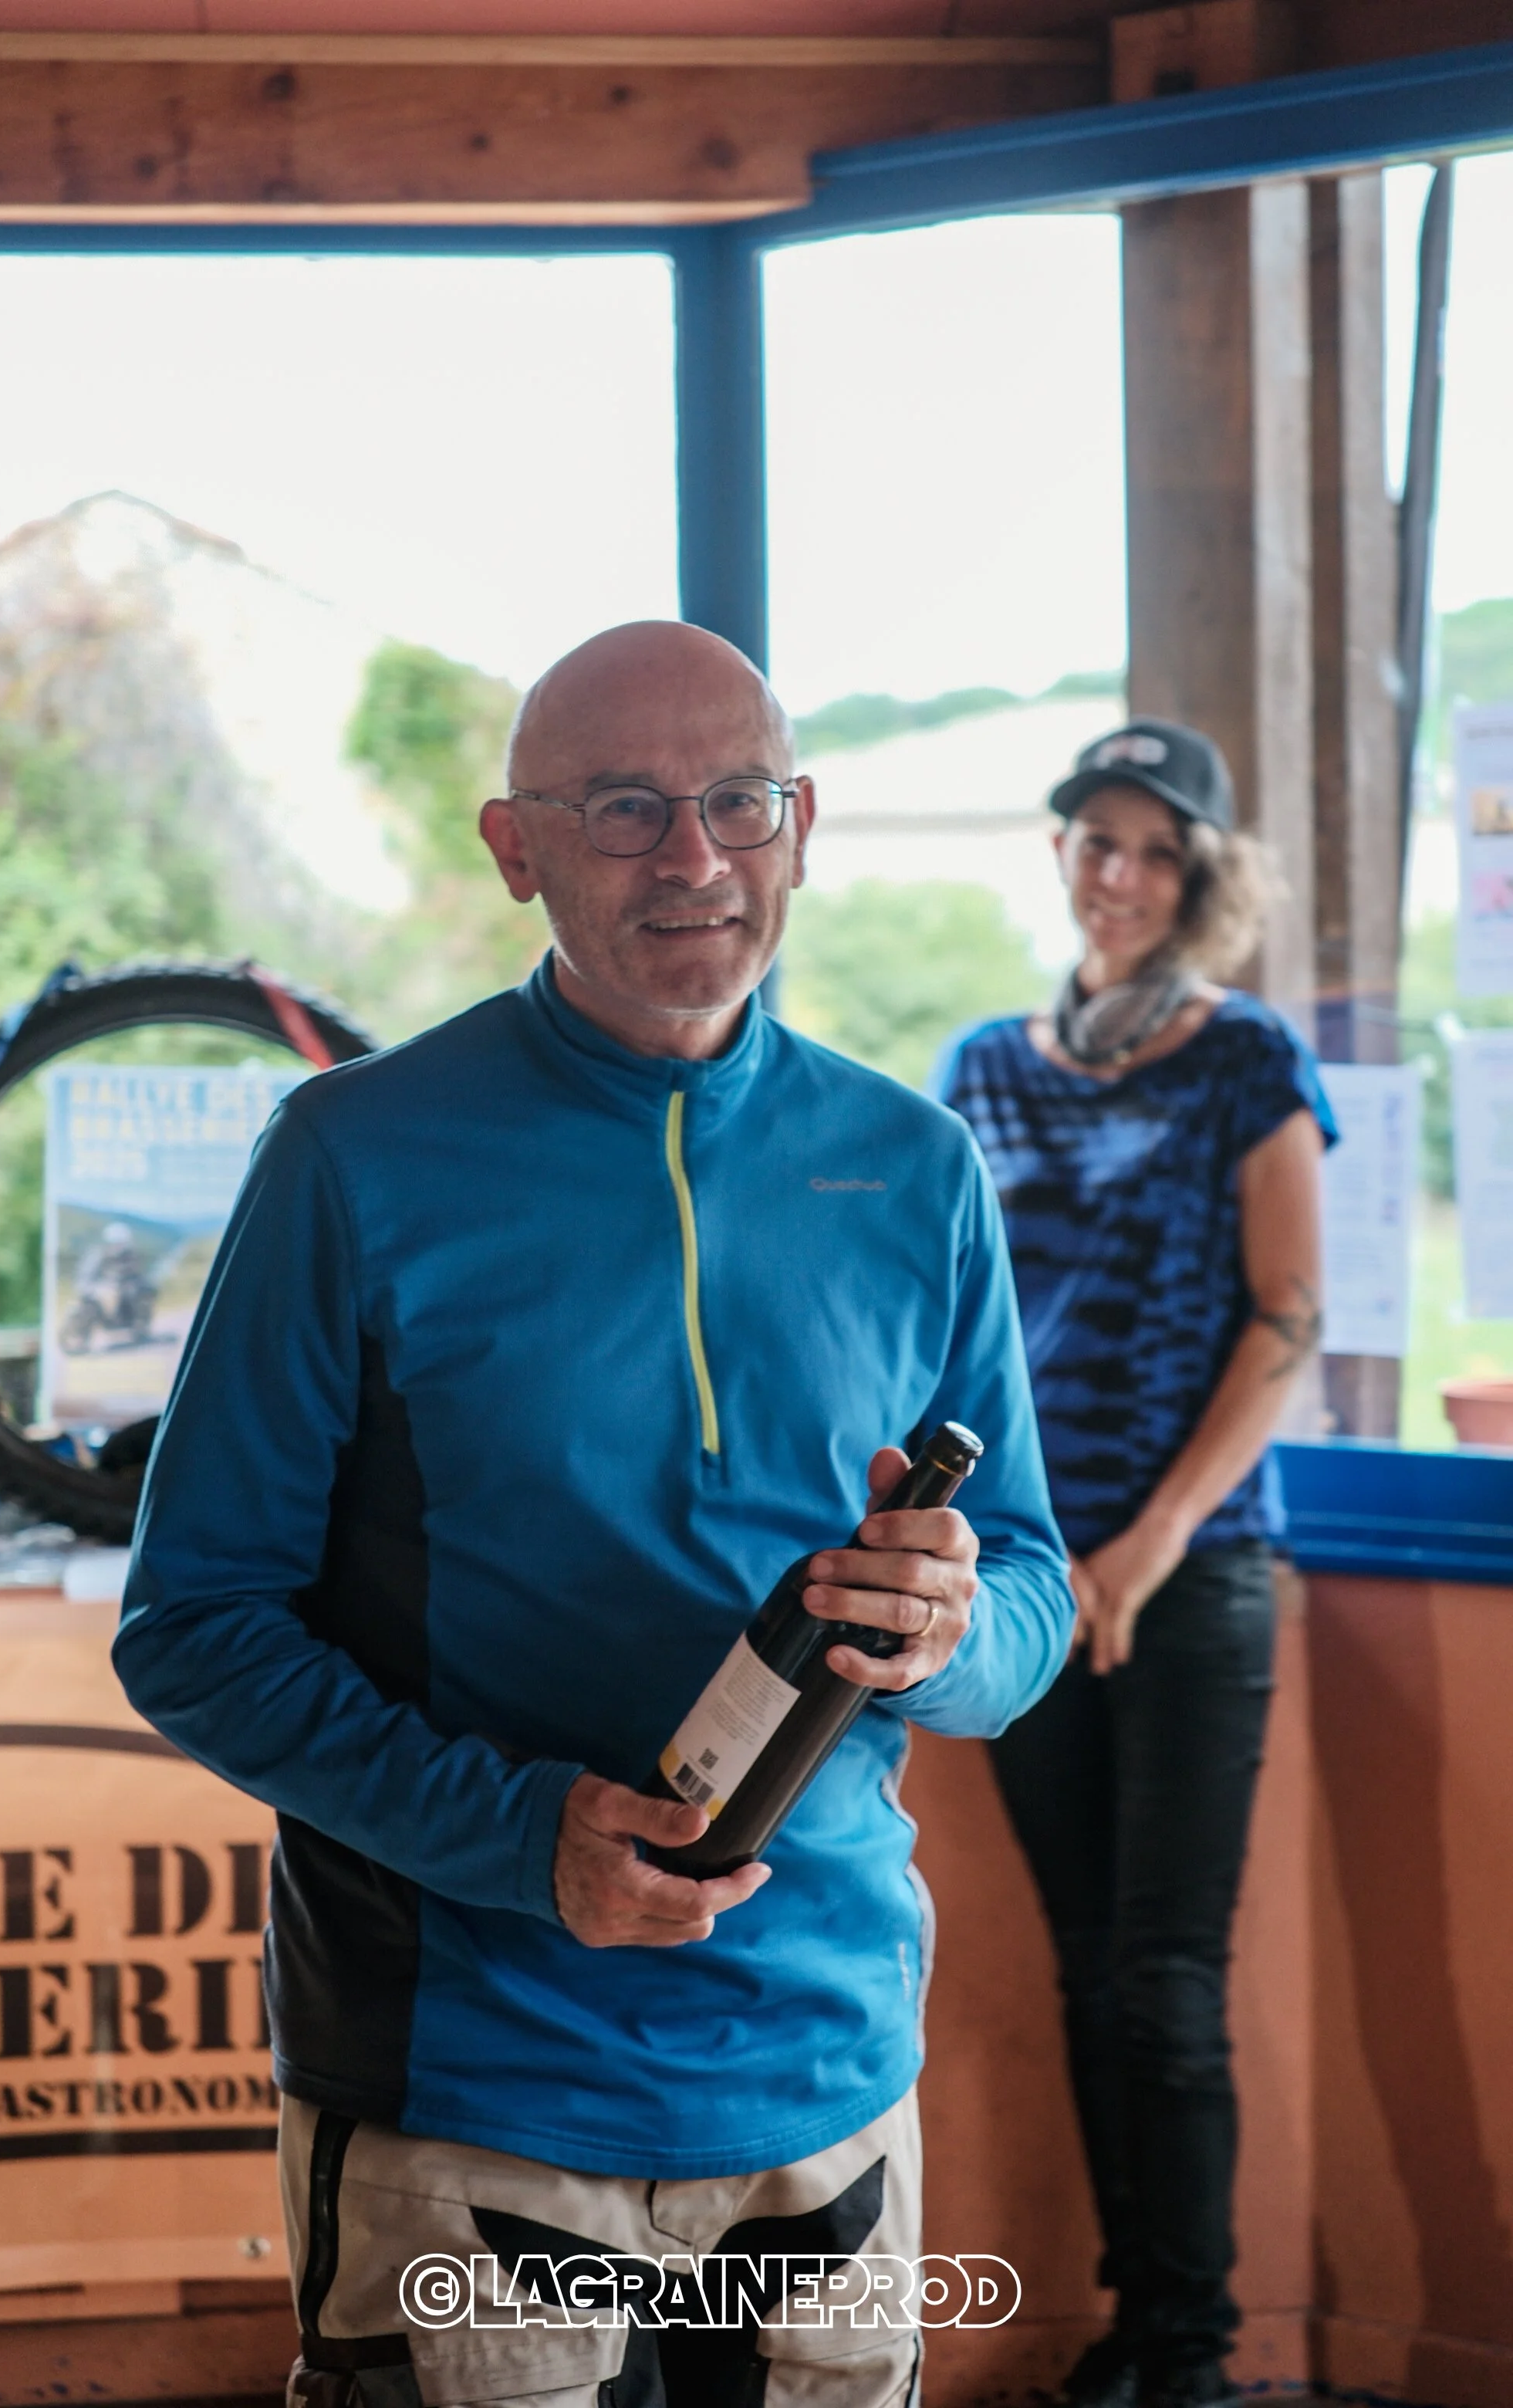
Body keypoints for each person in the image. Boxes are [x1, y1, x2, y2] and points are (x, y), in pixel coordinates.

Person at [114, 621, 1075, 2408]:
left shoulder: (914, 1168)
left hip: (824, 2073)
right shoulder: (351, 1155)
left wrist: (950, 1629)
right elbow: (194, 1627)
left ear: (801, 826)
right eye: (624, 807)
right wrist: (521, 1838)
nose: (692, 856)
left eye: (738, 802)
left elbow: (1026, 1597)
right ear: (514, 849)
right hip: (470, 2083)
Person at [935, 719, 1336, 2408]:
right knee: (1086, 1971)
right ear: (1061, 856)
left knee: (1166, 1983)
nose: (1120, 873)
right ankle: (1133, 2330)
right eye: (1097, 840)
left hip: (1193, 1577)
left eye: (1156, 850)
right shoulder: (980, 1068)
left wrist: (1151, 1545)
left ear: (1199, 879)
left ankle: (1194, 2353)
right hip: (1032, 1587)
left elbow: (1287, 1318)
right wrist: (1043, 1565)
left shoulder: (1246, 1056)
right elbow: (952, 1326)